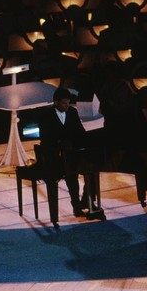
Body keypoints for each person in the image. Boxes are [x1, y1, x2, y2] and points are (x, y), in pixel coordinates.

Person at [35, 87, 88, 228]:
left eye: (68, 103)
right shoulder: (45, 116)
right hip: (54, 157)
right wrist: (60, 143)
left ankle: (78, 206)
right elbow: (45, 138)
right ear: (56, 102)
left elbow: (80, 132)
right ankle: (57, 215)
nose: (66, 106)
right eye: (64, 103)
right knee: (69, 176)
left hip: (70, 155)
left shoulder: (73, 112)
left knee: (74, 178)